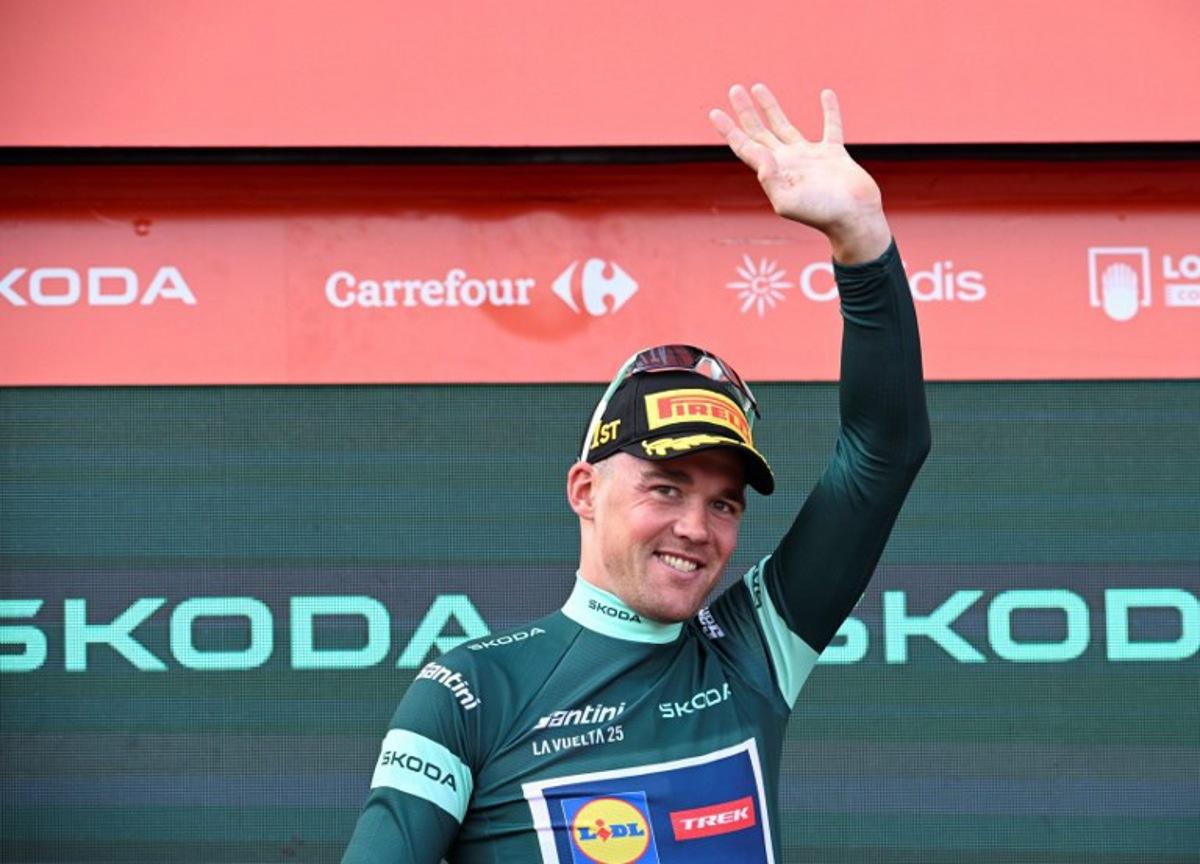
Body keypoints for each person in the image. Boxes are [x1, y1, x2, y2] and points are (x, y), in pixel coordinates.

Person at [341, 83, 930, 864]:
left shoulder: (751, 653)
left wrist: (862, 241)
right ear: (584, 491)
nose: (696, 528)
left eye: (724, 503)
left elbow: (884, 452)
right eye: (666, 488)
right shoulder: (469, 693)